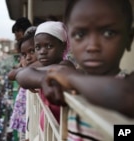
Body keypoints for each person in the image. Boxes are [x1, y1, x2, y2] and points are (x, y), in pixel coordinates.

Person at [45, 0, 134, 140]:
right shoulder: (70, 78)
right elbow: (24, 75)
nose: (92, 46)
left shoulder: (127, 83)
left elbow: (126, 95)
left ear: (129, 39)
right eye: (80, 35)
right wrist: (48, 80)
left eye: (108, 33)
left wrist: (71, 79)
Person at [10, 21, 73, 134]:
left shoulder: (65, 65)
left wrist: (34, 78)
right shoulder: (43, 65)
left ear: (63, 46)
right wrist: (34, 77)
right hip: (46, 130)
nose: (42, 52)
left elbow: (22, 74)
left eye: (49, 46)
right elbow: (16, 75)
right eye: (38, 47)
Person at [8, 28, 37, 141]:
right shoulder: (28, 71)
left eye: (32, 51)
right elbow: (11, 75)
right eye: (24, 55)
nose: (28, 58)